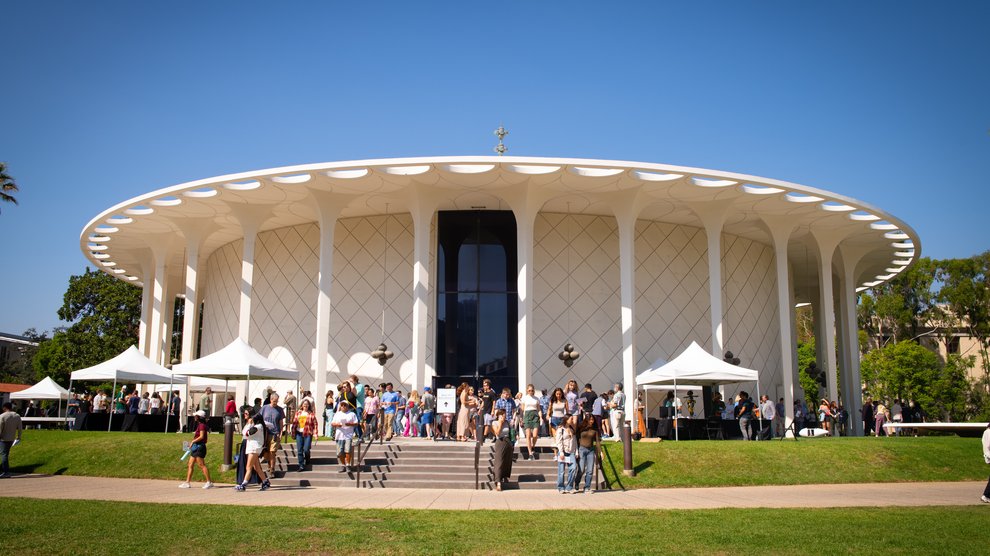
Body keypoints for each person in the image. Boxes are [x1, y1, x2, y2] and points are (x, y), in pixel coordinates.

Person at [235, 413, 270, 491]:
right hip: (253, 448)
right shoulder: (258, 426)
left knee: (248, 467)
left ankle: (243, 484)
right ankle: (265, 482)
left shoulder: (258, 427)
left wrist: (249, 424)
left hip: (254, 449)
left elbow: (246, 433)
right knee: (257, 467)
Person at [180, 410, 213, 489]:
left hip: (199, 447)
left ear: (199, 417)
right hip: (196, 447)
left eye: (196, 416)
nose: (195, 417)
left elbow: (201, 436)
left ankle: (209, 482)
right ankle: (187, 482)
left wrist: (193, 441)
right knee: (190, 464)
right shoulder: (200, 425)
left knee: (201, 465)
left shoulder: (201, 425)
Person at [259, 393, 284, 477]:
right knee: (266, 452)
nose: (275, 403)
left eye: (276, 401)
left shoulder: (280, 410)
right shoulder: (264, 408)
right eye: (274, 401)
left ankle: (272, 469)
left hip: (275, 433)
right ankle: (269, 465)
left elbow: (281, 422)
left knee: (272, 452)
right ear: (270, 400)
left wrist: (280, 433)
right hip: (265, 434)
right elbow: (259, 418)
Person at [330, 400, 359, 473]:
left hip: (348, 435)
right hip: (339, 435)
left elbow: (356, 423)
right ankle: (343, 465)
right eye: (342, 405)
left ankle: (348, 465)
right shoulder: (337, 414)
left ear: (347, 406)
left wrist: (350, 424)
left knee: (348, 450)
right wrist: (338, 425)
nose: (343, 407)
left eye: (345, 405)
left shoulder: (352, 414)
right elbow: (332, 423)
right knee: (340, 452)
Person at [292, 399, 318, 472]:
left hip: (308, 433)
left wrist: (315, 434)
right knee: (300, 450)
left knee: (306, 449)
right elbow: (294, 423)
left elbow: (315, 424)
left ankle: (307, 458)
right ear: (302, 405)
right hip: (299, 433)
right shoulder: (298, 413)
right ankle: (301, 465)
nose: (305, 405)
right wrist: (293, 432)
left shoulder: (311, 414)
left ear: (309, 405)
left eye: (307, 404)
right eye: (304, 404)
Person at [576, 414, 599, 493]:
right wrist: (576, 450)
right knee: (581, 469)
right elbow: (576, 438)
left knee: (590, 470)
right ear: (586, 420)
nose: (591, 421)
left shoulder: (594, 429)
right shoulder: (581, 428)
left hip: (591, 450)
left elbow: (597, 441)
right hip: (582, 449)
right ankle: (576, 482)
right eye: (590, 420)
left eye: (592, 420)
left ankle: (587, 487)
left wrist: (600, 452)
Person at [553, 414, 577, 493]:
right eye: (571, 419)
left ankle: (569, 486)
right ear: (566, 420)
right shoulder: (561, 429)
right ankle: (561, 487)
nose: (572, 420)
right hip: (563, 452)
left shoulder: (572, 429)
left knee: (573, 468)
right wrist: (561, 451)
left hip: (571, 452)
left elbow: (574, 441)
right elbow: (558, 441)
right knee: (561, 471)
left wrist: (576, 451)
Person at [491, 408, 513, 491]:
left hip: (508, 441)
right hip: (500, 441)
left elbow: (510, 432)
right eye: (503, 415)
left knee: (506, 461)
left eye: (505, 415)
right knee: (499, 461)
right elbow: (497, 433)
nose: (504, 416)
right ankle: (498, 481)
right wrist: (500, 423)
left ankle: (504, 477)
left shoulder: (507, 422)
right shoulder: (495, 422)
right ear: (499, 416)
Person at [1, 402, 24, 478]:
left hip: (3, 438)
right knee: (5, 454)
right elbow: (20, 428)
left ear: (4, 408)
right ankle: (6, 471)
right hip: (11, 438)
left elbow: (0, 428)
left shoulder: (2, 416)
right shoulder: (17, 416)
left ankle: (6, 471)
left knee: (4, 455)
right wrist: (19, 437)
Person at [520, 384, 542, 460]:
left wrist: (541, 416)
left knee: (535, 435)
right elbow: (522, 409)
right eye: (529, 390)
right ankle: (530, 453)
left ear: (534, 391)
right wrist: (521, 418)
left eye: (532, 390)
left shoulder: (536, 398)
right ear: (527, 390)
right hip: (527, 415)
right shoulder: (524, 398)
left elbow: (538, 409)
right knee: (528, 435)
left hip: (535, 415)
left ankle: (532, 446)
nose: (530, 391)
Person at [981, 422, 990, 503]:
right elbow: (986, 446)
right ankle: (986, 495)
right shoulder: (987, 432)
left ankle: (986, 495)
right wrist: (988, 456)